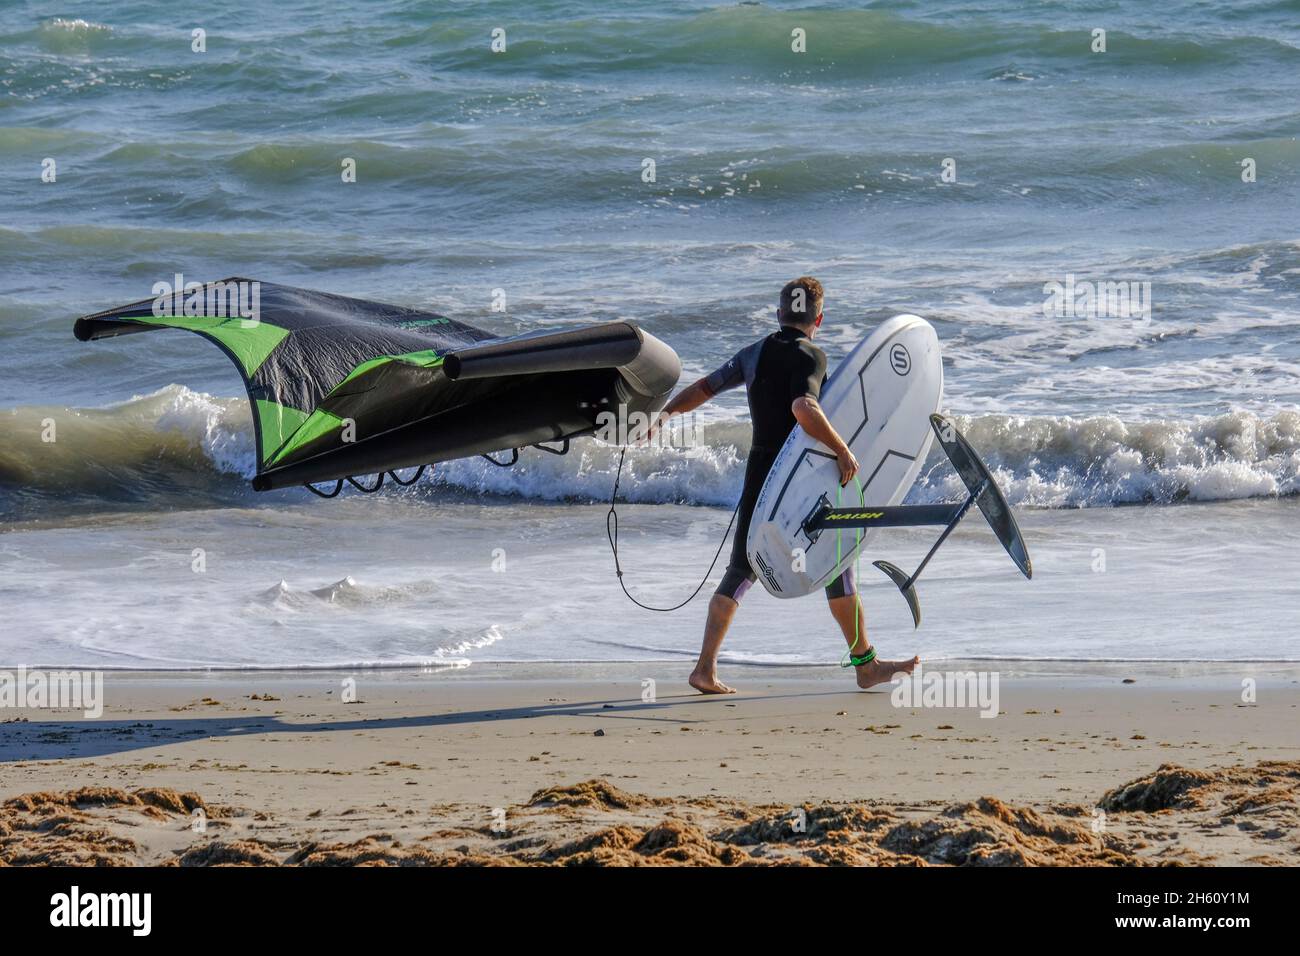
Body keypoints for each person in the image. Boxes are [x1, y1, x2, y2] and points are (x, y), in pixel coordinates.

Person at [651, 277, 919, 694]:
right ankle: (864, 666)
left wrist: (667, 413)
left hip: (760, 476)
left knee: (743, 571)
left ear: (779, 314)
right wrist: (842, 450)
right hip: (800, 477)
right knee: (836, 565)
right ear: (819, 319)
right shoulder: (812, 355)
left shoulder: (753, 353)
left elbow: (705, 388)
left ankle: (706, 668)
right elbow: (803, 407)